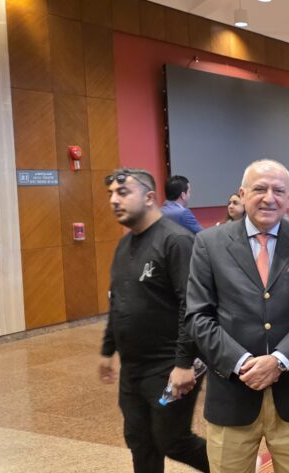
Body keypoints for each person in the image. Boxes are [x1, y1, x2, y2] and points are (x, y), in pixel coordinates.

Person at [186, 160, 289, 473]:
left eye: (279, 190)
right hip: (232, 394)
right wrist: (242, 363)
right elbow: (199, 316)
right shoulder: (208, 244)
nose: (269, 198)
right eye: (259, 189)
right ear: (242, 193)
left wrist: (279, 360)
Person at [99, 169, 209, 473]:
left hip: (169, 367)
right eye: (110, 195)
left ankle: (234, 466)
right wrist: (108, 351)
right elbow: (118, 301)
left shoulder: (176, 241)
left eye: (122, 193)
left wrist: (184, 364)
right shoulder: (125, 245)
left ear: (149, 198)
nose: (113, 200)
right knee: (140, 440)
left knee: (172, 439)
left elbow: (193, 305)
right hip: (133, 370)